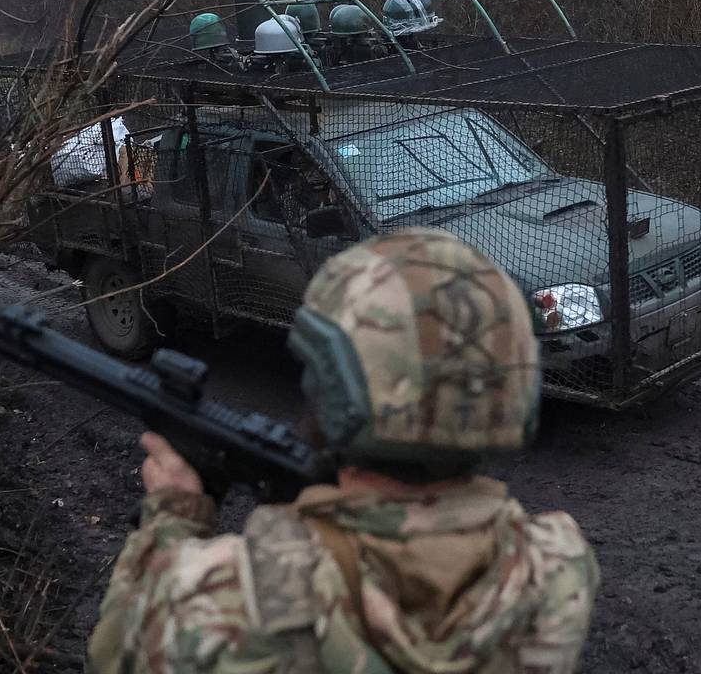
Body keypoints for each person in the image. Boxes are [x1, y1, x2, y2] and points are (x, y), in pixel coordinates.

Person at [88, 228, 600, 674]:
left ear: (335, 393)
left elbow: (116, 655)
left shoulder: (231, 599)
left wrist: (171, 517)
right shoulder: (557, 567)